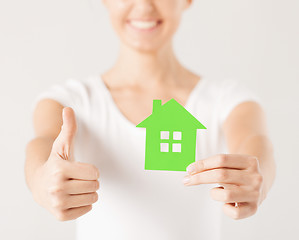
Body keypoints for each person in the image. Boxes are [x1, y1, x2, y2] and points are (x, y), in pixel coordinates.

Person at [24, 0, 276, 239]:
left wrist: (258, 179)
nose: (144, 6)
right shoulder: (69, 101)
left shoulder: (227, 100)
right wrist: (40, 179)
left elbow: (254, 143)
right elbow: (42, 145)